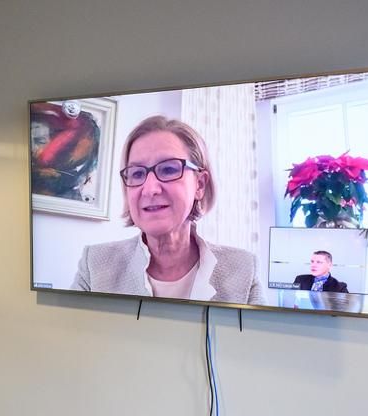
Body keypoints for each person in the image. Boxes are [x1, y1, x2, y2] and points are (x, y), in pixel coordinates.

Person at [71, 115, 263, 305]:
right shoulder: (95, 266)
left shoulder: (243, 270)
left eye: (169, 169)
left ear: (200, 184)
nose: (151, 189)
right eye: (137, 173)